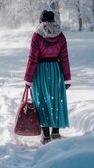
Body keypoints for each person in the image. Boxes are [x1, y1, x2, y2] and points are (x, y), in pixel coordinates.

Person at [24, 10, 71, 144]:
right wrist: (67, 78)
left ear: (41, 20)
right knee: (56, 99)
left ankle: (45, 135)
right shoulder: (61, 35)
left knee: (42, 101)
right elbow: (64, 58)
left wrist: (28, 79)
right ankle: (55, 133)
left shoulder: (37, 35)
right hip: (56, 71)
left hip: (40, 71)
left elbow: (32, 58)